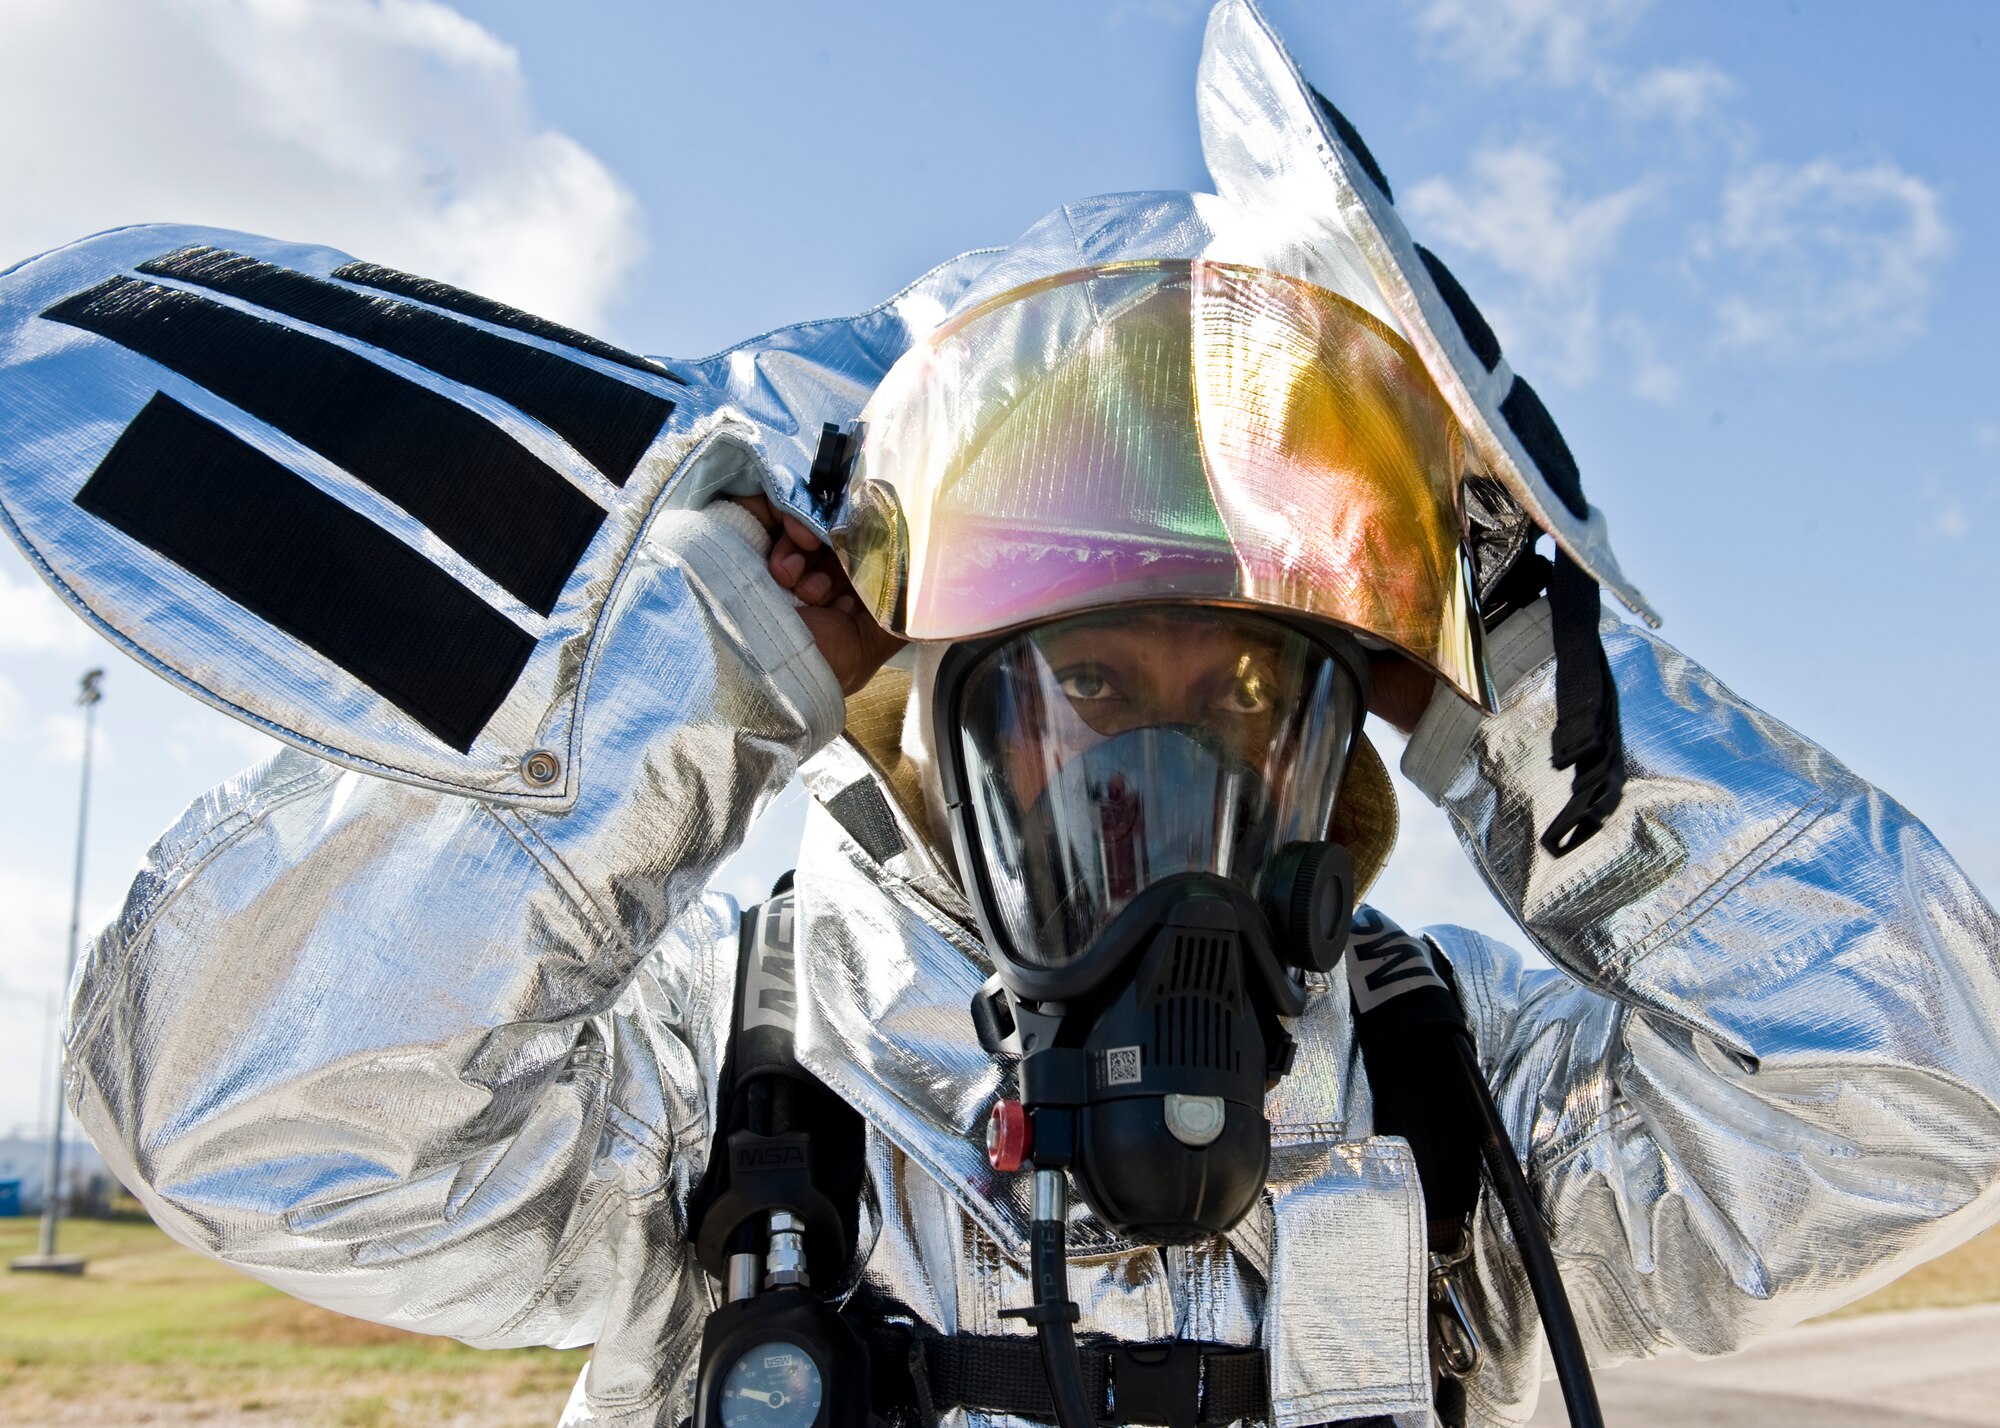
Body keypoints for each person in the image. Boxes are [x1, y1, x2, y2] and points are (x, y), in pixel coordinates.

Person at [7, 5, 1998, 1428]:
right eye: (1085, 693)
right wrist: (682, 651)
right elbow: (257, 1119)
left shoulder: (1456, 1093)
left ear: (1350, 741)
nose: (1165, 758)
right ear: (914, 729)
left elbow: (1902, 1092)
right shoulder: (720, 1097)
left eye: (1241, 693)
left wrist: (1520, 661)